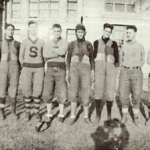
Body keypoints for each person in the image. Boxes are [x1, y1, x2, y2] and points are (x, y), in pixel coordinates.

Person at [66, 24, 94, 125]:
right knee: (73, 92)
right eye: (78, 32)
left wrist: (92, 72)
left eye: (82, 32)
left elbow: (92, 59)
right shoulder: (72, 44)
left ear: (84, 33)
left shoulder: (89, 44)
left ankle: (86, 116)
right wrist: (68, 71)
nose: (80, 34)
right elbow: (68, 58)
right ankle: (73, 116)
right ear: (76, 33)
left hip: (86, 69)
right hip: (74, 69)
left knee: (86, 92)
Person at [42, 24, 69, 123]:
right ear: (52, 32)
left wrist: (52, 51)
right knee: (47, 91)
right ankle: (49, 114)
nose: (57, 33)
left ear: (61, 31)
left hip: (61, 68)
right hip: (49, 68)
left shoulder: (65, 42)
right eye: (55, 31)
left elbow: (63, 52)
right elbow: (45, 54)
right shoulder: (48, 42)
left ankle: (61, 114)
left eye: (58, 31)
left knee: (61, 91)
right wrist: (57, 52)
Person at [119, 25, 145, 126]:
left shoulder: (140, 46)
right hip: (125, 71)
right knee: (123, 95)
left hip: (136, 72)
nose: (128, 34)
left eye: (129, 32)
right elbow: (121, 59)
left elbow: (142, 59)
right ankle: (124, 117)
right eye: (127, 33)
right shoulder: (124, 46)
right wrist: (125, 67)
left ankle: (136, 117)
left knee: (137, 95)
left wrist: (136, 67)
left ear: (135, 33)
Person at [19, 20, 45, 122]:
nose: (33, 29)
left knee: (37, 90)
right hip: (27, 68)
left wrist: (42, 65)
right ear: (28, 29)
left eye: (35, 27)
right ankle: (27, 112)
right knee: (27, 89)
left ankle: (37, 112)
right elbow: (20, 55)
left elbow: (44, 56)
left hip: (39, 67)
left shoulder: (42, 41)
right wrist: (24, 65)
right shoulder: (24, 41)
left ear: (37, 28)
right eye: (31, 27)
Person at [93, 23, 119, 123]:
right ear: (103, 31)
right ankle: (97, 114)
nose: (107, 33)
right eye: (106, 31)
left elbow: (117, 59)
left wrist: (115, 71)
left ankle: (109, 115)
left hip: (110, 71)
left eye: (109, 32)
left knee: (109, 92)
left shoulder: (114, 44)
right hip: (99, 70)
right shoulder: (96, 42)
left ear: (111, 33)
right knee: (98, 91)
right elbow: (93, 57)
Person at [0, 24, 21, 120]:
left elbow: (20, 59)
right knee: (2, 90)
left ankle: (13, 112)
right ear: (5, 31)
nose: (10, 31)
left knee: (13, 90)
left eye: (12, 30)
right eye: (8, 29)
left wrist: (19, 70)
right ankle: (1, 112)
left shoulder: (17, 44)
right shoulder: (0, 43)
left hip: (14, 69)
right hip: (3, 69)